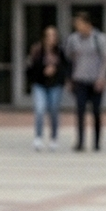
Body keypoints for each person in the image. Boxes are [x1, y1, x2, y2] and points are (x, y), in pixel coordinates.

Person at [64, 10, 106, 152]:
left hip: (96, 81)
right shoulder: (73, 39)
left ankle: (96, 142)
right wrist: (69, 78)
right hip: (80, 80)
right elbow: (68, 59)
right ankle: (80, 142)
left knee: (96, 111)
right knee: (80, 111)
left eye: (79, 24)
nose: (77, 27)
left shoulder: (100, 39)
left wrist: (102, 78)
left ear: (87, 24)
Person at [25, 22, 68, 150]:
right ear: (44, 37)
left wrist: (56, 70)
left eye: (54, 35)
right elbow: (30, 68)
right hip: (40, 84)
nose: (51, 38)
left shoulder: (60, 51)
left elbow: (65, 67)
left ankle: (54, 138)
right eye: (49, 35)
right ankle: (38, 137)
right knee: (40, 109)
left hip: (55, 85)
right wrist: (44, 69)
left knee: (54, 110)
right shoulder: (37, 50)